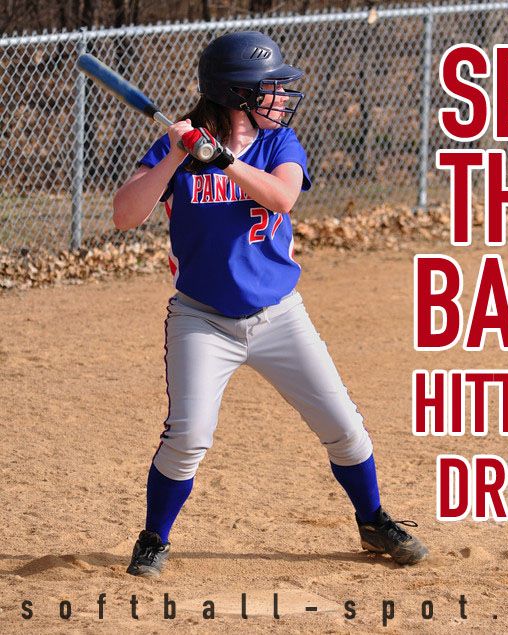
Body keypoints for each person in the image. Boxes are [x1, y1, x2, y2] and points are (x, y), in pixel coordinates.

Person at [113, 31, 427, 578]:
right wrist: (173, 155)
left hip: (280, 315)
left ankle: (373, 519)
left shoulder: (280, 144)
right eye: (270, 87)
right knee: (187, 436)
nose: (281, 95)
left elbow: (282, 197)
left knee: (345, 427)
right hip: (202, 320)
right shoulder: (178, 148)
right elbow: (124, 214)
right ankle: (153, 539)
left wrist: (223, 159)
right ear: (237, 95)